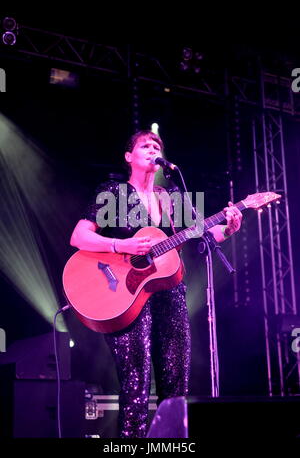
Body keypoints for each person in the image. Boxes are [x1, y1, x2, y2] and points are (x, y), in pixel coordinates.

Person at [70, 130, 243, 438]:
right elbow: (79, 236)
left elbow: (203, 234)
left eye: (156, 146)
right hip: (124, 292)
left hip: (170, 294)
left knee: (176, 387)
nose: (152, 149)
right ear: (129, 157)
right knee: (136, 385)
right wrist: (120, 246)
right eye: (145, 145)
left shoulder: (172, 194)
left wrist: (228, 228)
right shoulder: (114, 193)